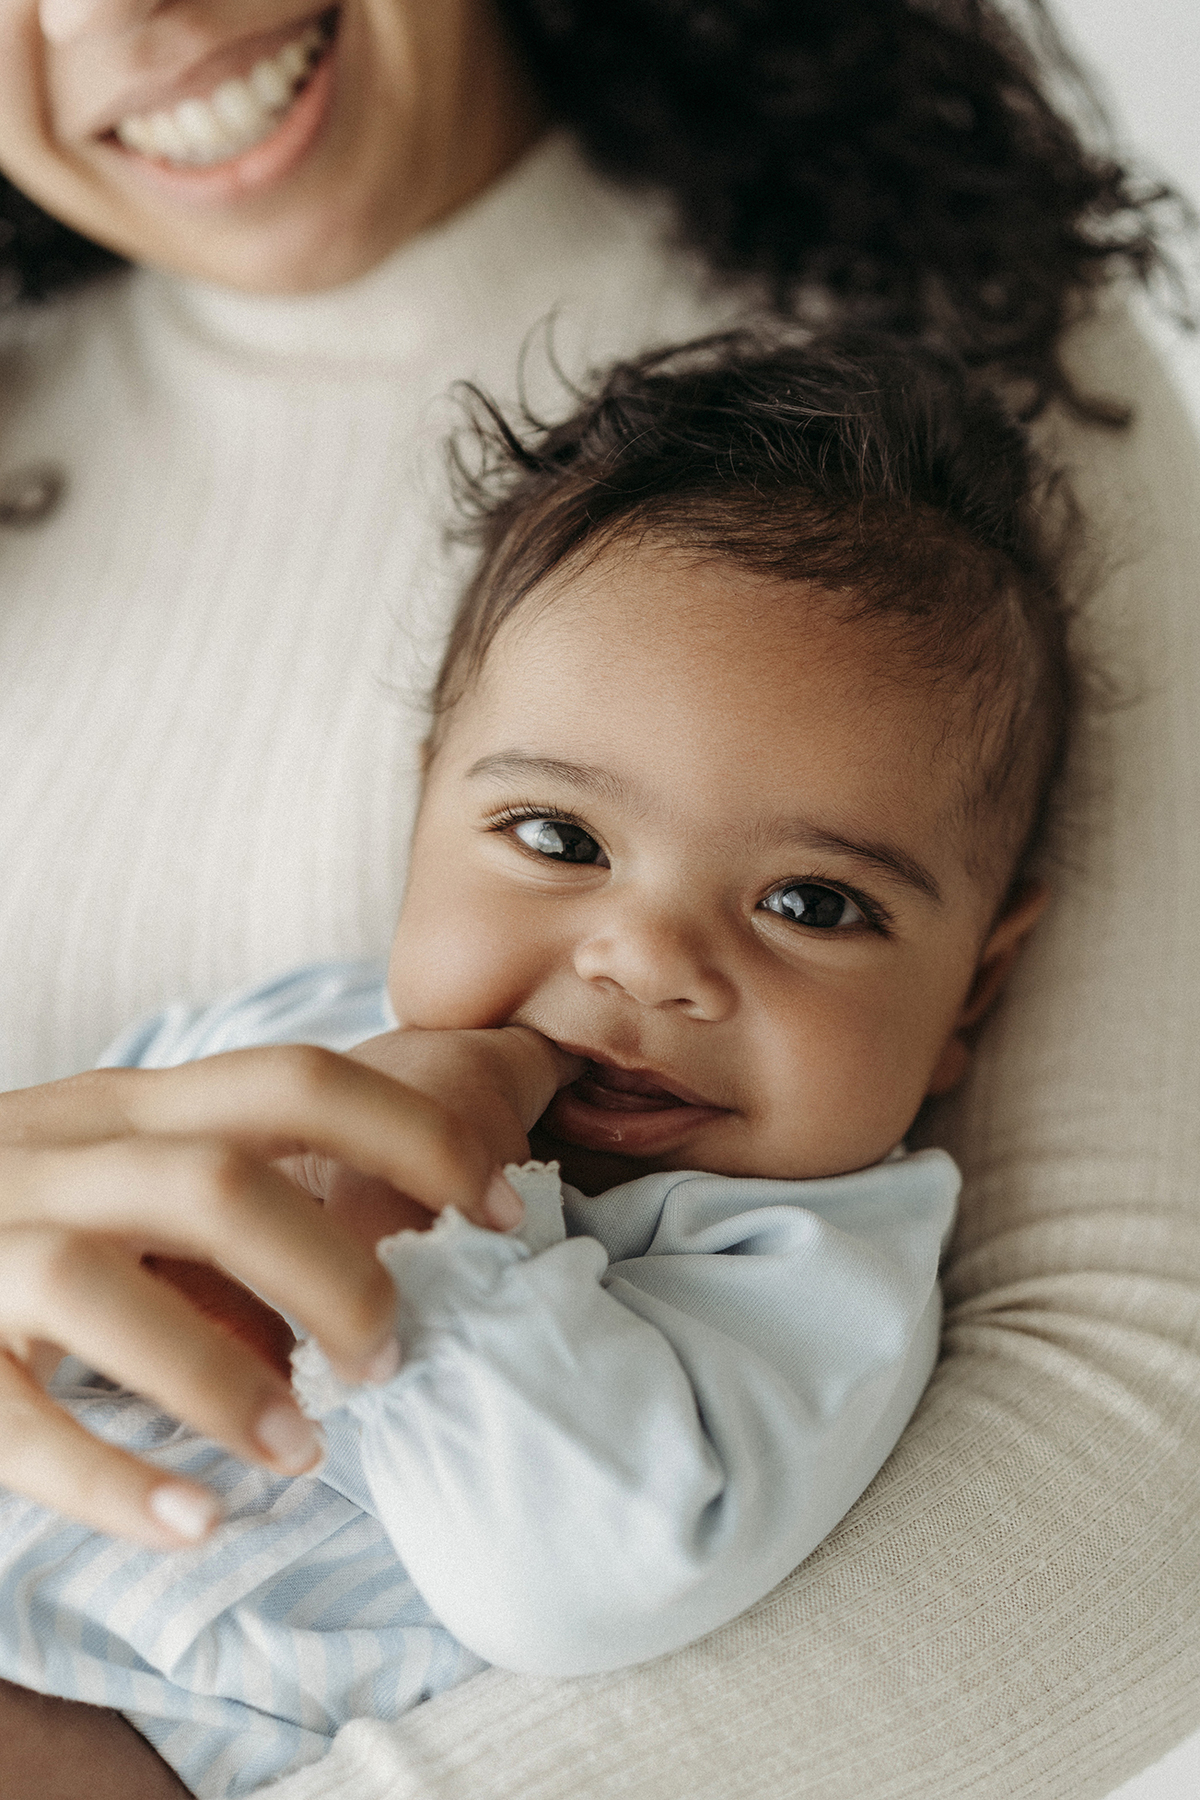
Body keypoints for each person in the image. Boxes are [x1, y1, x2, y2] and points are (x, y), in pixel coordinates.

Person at [0, 5, 1195, 1799]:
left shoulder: (794, 1267)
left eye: (810, 899)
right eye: (558, 843)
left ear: (970, 993)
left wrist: (438, 1219)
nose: (645, 958)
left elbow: (1130, 1455)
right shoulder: (288, 1031)